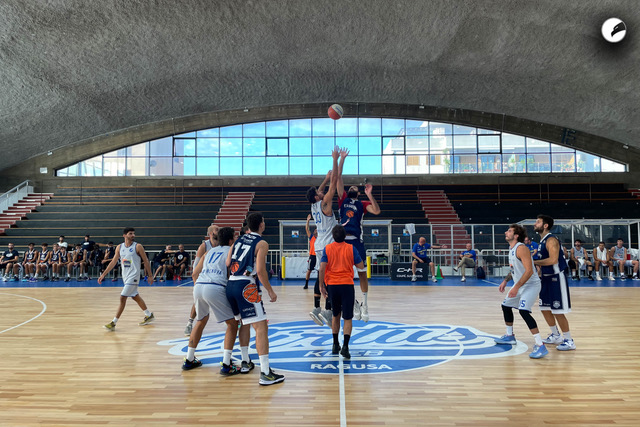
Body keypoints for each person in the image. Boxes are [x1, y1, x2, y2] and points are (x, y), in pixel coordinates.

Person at [182, 226, 254, 375]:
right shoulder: (231, 252)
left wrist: (200, 287)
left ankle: (189, 359)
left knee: (201, 320)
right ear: (230, 239)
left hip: (199, 285)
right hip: (215, 286)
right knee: (233, 324)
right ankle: (227, 364)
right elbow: (232, 273)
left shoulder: (208, 252)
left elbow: (195, 273)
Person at [225, 212, 284, 386]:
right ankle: (265, 373)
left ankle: (245, 361)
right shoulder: (262, 243)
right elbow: (260, 271)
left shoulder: (238, 240)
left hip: (231, 284)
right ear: (262, 225)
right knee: (261, 327)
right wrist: (270, 291)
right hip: (245, 285)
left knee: (243, 323)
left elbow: (229, 263)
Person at [335, 148, 380, 321]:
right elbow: (338, 177)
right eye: (350, 186)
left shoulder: (362, 203)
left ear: (359, 192)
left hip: (357, 243)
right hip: (343, 243)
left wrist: (370, 195)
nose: (352, 186)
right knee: (345, 277)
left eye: (355, 187)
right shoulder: (343, 199)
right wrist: (342, 159)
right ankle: (354, 304)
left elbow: (376, 211)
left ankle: (365, 304)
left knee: (362, 274)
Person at [494, 224, 547, 359]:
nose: (506, 232)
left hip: (531, 285)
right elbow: (514, 269)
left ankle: (540, 345)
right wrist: (506, 281)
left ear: (516, 236)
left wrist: (516, 287)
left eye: (509, 231)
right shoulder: (511, 249)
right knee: (505, 306)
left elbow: (529, 271)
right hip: (520, 284)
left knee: (524, 311)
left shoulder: (521, 248)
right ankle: (510, 336)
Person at [319, 225, 367, 359]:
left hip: (332, 286)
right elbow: (360, 266)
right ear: (345, 236)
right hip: (347, 285)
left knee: (335, 315)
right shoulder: (351, 249)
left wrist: (321, 285)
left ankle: (335, 344)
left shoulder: (327, 249)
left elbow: (322, 268)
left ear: (333, 236)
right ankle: (345, 347)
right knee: (347, 317)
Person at [306, 146, 340, 327]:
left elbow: (322, 188)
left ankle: (316, 308)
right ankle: (327, 312)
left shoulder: (313, 206)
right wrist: (334, 160)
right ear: (318, 197)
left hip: (319, 245)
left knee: (321, 275)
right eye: (319, 192)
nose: (322, 191)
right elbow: (334, 184)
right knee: (330, 278)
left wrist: (325, 179)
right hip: (328, 245)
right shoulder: (325, 204)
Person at [533, 214, 575, 351]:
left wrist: (533, 262)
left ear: (545, 225)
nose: (535, 223)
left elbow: (553, 260)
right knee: (544, 308)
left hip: (557, 278)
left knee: (557, 311)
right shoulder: (542, 241)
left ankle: (569, 340)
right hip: (545, 278)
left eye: (538, 222)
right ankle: (556, 335)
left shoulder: (551, 240)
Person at [99, 227, 155, 330]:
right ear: (124, 235)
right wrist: (103, 274)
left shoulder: (138, 246)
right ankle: (149, 314)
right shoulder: (119, 247)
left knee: (122, 297)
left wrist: (150, 275)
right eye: (130, 233)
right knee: (135, 296)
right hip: (126, 276)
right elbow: (113, 262)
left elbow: (146, 261)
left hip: (134, 276)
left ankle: (113, 323)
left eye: (133, 233)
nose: (133, 235)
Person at [184, 224, 218, 336]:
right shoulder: (204, 246)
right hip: (204, 278)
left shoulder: (223, 244)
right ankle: (189, 323)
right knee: (198, 302)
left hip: (218, 279)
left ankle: (235, 323)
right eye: (217, 230)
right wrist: (196, 281)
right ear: (211, 233)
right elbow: (196, 266)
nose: (219, 231)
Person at [303, 214, 317, 290]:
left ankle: (320, 284)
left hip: (318, 255)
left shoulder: (321, 238)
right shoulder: (312, 237)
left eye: (316, 230)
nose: (315, 230)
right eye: (315, 230)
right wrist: (307, 221)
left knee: (320, 270)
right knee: (309, 270)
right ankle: (306, 284)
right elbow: (307, 229)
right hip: (312, 255)